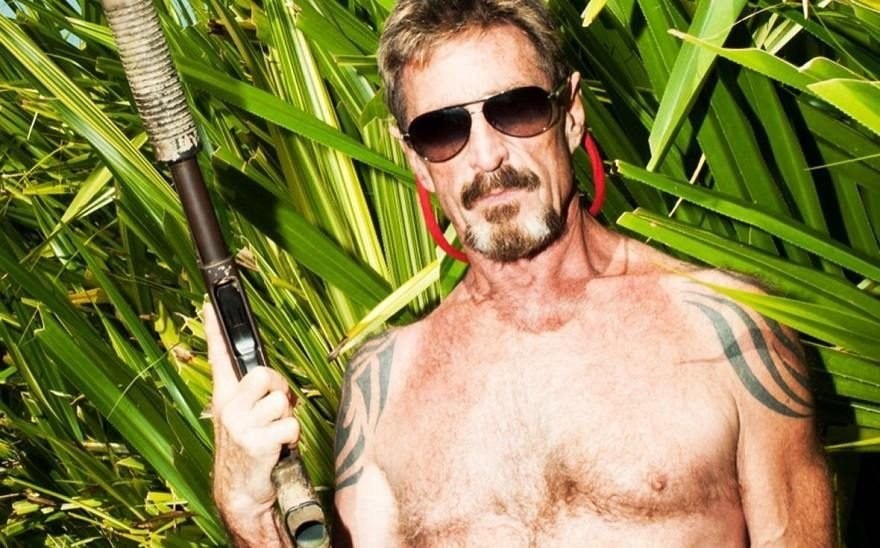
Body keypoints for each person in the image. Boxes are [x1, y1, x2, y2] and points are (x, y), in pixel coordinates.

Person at [208, 0, 835, 545]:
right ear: (418, 162)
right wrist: (249, 514)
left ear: (571, 114)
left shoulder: (728, 330)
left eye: (516, 109)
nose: (486, 156)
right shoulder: (385, 382)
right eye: (443, 130)